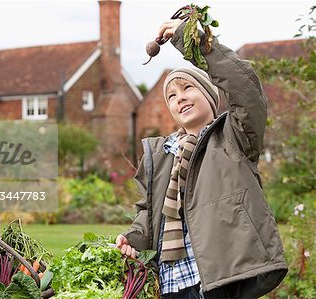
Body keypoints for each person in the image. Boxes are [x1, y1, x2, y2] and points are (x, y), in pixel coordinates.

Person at [116, 18, 288, 298]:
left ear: (210, 96)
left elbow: (245, 89)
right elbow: (149, 213)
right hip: (171, 283)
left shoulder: (233, 137)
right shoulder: (161, 155)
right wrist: (134, 237)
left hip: (216, 279)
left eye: (187, 88)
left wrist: (193, 40)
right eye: (171, 95)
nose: (179, 98)